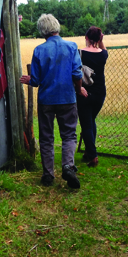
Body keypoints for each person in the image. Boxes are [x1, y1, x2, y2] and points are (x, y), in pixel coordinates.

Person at [20, 14, 86, 189]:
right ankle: (67, 166)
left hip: (46, 100)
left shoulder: (39, 50)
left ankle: (48, 175)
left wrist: (29, 80)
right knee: (69, 134)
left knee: (46, 136)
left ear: (42, 31)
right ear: (57, 27)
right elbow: (77, 74)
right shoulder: (71, 47)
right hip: (67, 98)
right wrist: (78, 90)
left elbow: (35, 80)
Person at [78, 26, 109, 167]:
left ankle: (92, 156)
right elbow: (104, 50)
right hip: (100, 93)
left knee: (86, 125)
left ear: (86, 38)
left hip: (84, 92)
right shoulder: (103, 54)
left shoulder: (80, 53)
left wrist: (79, 88)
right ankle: (88, 152)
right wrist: (101, 40)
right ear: (99, 38)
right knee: (91, 121)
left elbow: (75, 73)